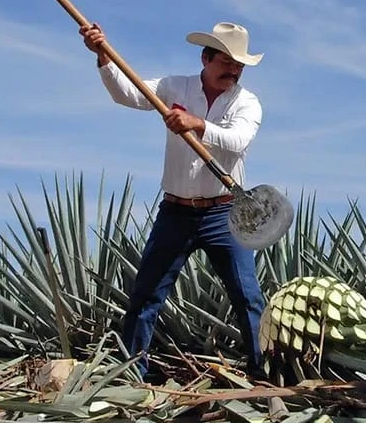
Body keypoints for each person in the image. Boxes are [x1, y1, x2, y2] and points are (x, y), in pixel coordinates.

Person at [80, 20, 267, 381]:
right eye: (226, 61)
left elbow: (238, 140)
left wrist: (196, 125)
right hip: (176, 212)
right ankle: (133, 374)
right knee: (147, 295)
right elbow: (127, 94)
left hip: (225, 212)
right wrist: (103, 56)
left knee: (248, 298)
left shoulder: (248, 102)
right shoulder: (173, 86)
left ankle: (263, 372)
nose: (234, 70)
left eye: (239, 64)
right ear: (205, 58)